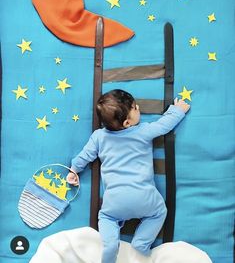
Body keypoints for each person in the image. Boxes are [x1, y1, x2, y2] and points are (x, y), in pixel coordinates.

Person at [67, 89, 190, 263]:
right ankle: (141, 242)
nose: (138, 107)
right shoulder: (143, 131)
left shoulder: (99, 137)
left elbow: (84, 156)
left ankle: (110, 246)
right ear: (126, 122)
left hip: (114, 201)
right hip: (144, 197)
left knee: (106, 218)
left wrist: (74, 170)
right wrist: (178, 110)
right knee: (159, 212)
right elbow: (164, 125)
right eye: (135, 108)